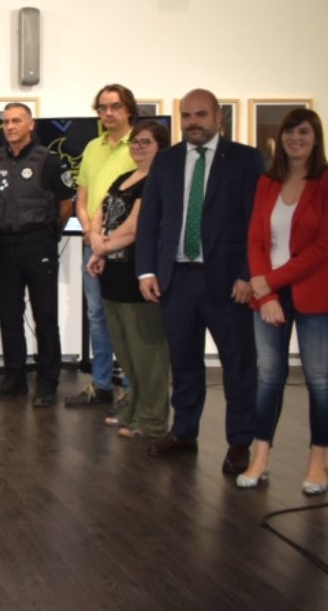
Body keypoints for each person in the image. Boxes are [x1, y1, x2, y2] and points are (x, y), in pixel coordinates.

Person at [137, 89, 263, 474]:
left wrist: (247, 274)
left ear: (218, 117)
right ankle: (185, 432)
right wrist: (146, 270)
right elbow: (151, 219)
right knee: (185, 362)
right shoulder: (168, 160)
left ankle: (240, 442)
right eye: (186, 115)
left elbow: (256, 223)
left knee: (238, 365)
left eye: (201, 115)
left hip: (227, 283)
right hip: (177, 280)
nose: (193, 122)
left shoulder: (245, 159)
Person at [239, 108, 328, 493]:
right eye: (290, 132)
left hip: (314, 294)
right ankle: (260, 457)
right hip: (269, 295)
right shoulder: (267, 182)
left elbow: (323, 246)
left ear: (316, 137)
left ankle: (318, 463)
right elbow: (257, 239)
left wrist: (267, 282)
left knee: (320, 381)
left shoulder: (325, 181)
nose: (296, 139)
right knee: (269, 378)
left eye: (304, 132)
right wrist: (268, 293)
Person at [0, 102, 75, 407]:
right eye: (6, 122)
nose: (10, 126)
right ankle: (15, 379)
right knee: (8, 317)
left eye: (17, 121)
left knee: (45, 317)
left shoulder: (49, 161)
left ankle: (47, 383)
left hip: (38, 246)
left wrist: (50, 234)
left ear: (30, 124)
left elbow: (65, 205)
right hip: (2, 247)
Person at [86, 120, 171, 439]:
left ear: (160, 146)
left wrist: (102, 245)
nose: (137, 147)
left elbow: (136, 227)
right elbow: (101, 212)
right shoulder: (124, 177)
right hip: (113, 274)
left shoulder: (159, 180)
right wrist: (97, 243)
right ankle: (133, 408)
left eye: (145, 142)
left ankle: (152, 420)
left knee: (147, 352)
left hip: (141, 276)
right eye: (135, 142)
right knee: (126, 350)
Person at [68, 84, 138, 410]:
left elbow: (139, 202)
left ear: (128, 110)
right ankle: (101, 385)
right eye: (102, 107)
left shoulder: (139, 146)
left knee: (128, 318)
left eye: (114, 107)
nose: (108, 113)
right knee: (97, 316)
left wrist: (106, 239)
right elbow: (82, 196)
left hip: (126, 248)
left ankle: (135, 391)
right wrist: (89, 231)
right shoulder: (92, 147)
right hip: (92, 243)